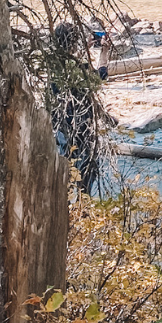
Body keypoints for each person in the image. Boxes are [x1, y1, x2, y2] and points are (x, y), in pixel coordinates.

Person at [50, 21, 111, 194]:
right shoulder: (78, 65)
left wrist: (84, 49)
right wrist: (104, 52)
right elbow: (100, 77)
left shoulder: (53, 62)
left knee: (66, 158)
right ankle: (83, 203)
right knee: (88, 162)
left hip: (60, 120)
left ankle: (65, 200)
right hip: (81, 119)